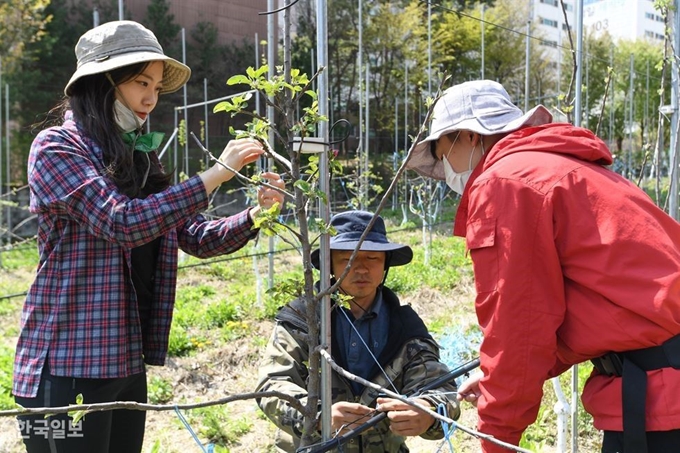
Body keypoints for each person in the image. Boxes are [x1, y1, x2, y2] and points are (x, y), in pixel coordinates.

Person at [12, 20, 285, 453]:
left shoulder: (139, 153)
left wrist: (256, 215)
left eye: (157, 87)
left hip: (123, 359)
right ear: (102, 83)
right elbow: (120, 221)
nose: (150, 98)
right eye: (141, 82)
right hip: (64, 367)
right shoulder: (56, 148)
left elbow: (192, 235)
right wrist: (214, 176)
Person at [406, 79, 680, 453]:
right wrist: (494, 383)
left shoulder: (505, 182)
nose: (444, 168)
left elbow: (518, 324)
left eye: (441, 153)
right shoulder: (557, 166)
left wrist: (495, 436)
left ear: (468, 137)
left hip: (661, 394)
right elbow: (591, 308)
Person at [256, 210, 460, 452]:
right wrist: (319, 417)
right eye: (347, 259)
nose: (361, 269)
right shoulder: (302, 319)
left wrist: (428, 411)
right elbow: (272, 385)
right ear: (329, 264)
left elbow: (440, 387)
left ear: (385, 264)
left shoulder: (405, 326)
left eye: (372, 258)